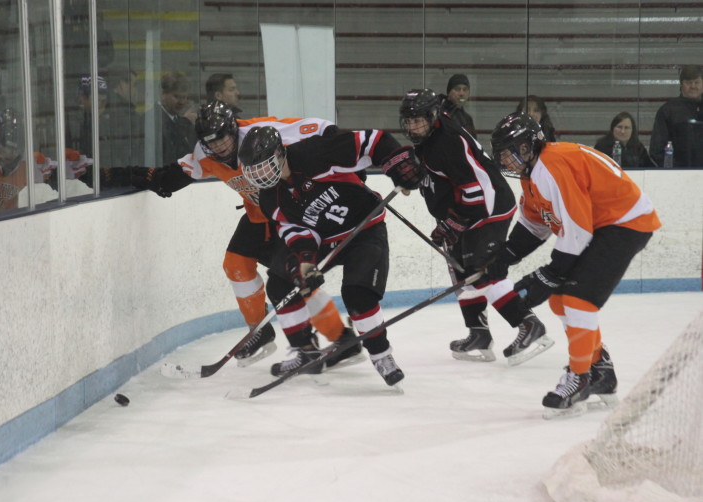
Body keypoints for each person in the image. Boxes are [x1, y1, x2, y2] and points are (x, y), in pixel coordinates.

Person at [123, 101, 360, 368]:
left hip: (291, 213)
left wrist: (352, 166)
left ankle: (341, 339)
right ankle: (259, 331)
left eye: (223, 137)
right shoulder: (205, 153)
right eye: (210, 141)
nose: (219, 146)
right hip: (259, 216)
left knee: (295, 280)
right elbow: (172, 175)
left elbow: (323, 128)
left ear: (233, 128)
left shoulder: (261, 133)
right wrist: (118, 176)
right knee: (236, 264)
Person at [489, 112, 661, 418]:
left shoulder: (551, 165)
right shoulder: (533, 175)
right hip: (604, 225)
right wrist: (501, 258)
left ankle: (580, 377)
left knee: (578, 301)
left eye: (511, 151)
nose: (507, 160)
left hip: (626, 223)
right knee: (559, 300)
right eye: (502, 153)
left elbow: (578, 231)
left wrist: (552, 272)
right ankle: (601, 371)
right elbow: (535, 226)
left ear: (530, 145)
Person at [236, 124, 427, 386]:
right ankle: (306, 351)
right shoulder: (271, 198)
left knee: (357, 294)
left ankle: (382, 355)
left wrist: (397, 164)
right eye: (253, 170)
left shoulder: (316, 153)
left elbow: (374, 140)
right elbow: (296, 231)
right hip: (326, 240)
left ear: (280, 153)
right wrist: (305, 263)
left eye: (264, 165)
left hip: (364, 229)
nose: (259, 175)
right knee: (280, 283)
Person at [398, 88, 553, 366]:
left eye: (418, 120)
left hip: (487, 208)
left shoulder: (448, 140)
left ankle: (529, 325)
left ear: (433, 116)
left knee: (483, 271)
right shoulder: (430, 137)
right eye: (408, 121)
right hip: (464, 212)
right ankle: (479, 334)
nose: (412, 126)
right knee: (460, 272)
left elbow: (475, 188)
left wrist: (455, 223)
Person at [649, 65, 703, 167]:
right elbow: (657, 149)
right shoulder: (668, 111)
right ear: (681, 85)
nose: (693, 86)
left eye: (697, 82)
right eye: (688, 82)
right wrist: (674, 171)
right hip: (678, 175)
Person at [155, 71, 197, 165]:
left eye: (184, 97)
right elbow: (168, 150)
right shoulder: (153, 119)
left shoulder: (178, 120)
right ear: (163, 95)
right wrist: (185, 123)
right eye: (177, 96)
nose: (182, 102)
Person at [106, 68, 145, 167]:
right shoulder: (120, 112)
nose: (136, 90)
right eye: (134, 85)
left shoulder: (112, 107)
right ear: (122, 84)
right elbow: (123, 150)